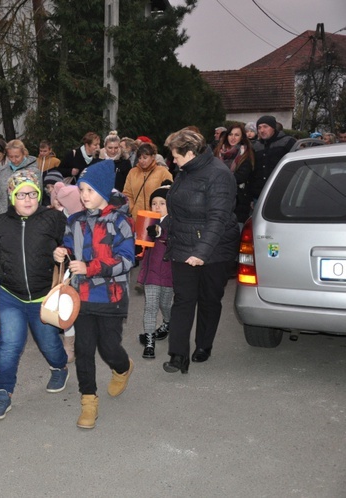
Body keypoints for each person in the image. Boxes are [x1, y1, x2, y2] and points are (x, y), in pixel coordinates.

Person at [0, 170, 69, 420]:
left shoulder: (53, 219)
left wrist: (64, 253)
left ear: (39, 195)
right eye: (21, 194)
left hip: (42, 297)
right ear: (11, 197)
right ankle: (3, 392)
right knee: (9, 346)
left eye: (32, 194)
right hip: (10, 295)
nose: (27, 199)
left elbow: (70, 245)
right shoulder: (2, 223)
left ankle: (60, 367)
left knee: (49, 344)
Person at [53, 160, 135, 430]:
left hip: (111, 297)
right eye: (81, 190)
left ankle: (122, 367)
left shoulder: (120, 221)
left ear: (103, 190)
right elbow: (69, 245)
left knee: (109, 348)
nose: (83, 195)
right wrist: (62, 252)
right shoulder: (75, 221)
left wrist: (90, 268)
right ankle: (89, 402)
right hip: (82, 297)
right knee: (84, 349)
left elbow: (126, 261)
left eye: (89, 190)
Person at [162, 129, 239, 374]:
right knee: (183, 300)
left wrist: (202, 252)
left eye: (175, 156)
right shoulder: (185, 171)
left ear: (191, 153)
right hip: (184, 245)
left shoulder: (219, 175)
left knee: (209, 299)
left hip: (215, 250)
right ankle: (178, 356)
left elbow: (218, 218)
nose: (172, 161)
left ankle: (204, 345)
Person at [136, 182, 173, 359]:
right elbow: (143, 244)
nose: (157, 207)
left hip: (168, 273)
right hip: (151, 273)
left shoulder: (174, 222)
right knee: (150, 306)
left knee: (165, 304)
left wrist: (159, 232)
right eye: (154, 203)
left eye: (162, 203)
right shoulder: (148, 221)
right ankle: (149, 342)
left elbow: (165, 234)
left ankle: (168, 322)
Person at [54, 184, 85, 364]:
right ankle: (69, 344)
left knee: (82, 308)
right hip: (67, 270)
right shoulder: (60, 219)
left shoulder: (83, 219)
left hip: (85, 270)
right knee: (67, 308)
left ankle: (81, 340)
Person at [214, 122, 255, 226]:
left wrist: (218, 178)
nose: (233, 138)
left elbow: (241, 176)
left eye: (237, 135)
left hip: (239, 200)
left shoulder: (246, 153)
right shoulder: (218, 151)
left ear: (242, 137)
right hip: (216, 198)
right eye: (230, 134)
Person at [249, 115, 296, 204]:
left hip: (283, 193)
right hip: (259, 195)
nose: (262, 130)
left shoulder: (287, 142)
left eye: (265, 127)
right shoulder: (255, 146)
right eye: (259, 128)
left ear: (273, 128)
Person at [122, 142, 173, 219]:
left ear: (153, 157)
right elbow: (127, 194)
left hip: (157, 216)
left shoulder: (163, 172)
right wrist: (131, 210)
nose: (142, 161)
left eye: (145, 158)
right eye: (139, 158)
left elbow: (170, 193)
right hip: (137, 217)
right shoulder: (133, 172)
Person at [0, 139, 39, 217]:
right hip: (4, 216)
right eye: (11, 157)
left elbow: (37, 197)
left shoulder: (34, 171)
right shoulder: (3, 170)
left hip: (27, 217)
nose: (14, 160)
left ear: (24, 153)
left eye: (17, 156)